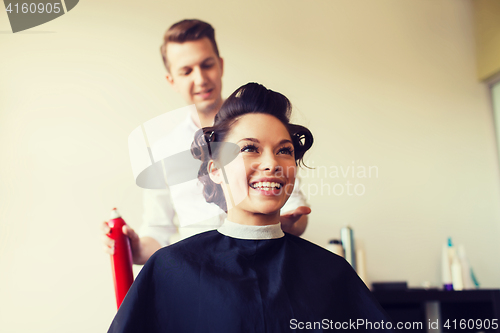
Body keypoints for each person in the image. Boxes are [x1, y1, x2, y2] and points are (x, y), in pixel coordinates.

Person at [107, 83, 391, 332]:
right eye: (249, 148)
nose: (271, 164)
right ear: (216, 169)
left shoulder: (332, 273)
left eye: (284, 150)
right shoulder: (171, 269)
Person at [102, 19, 310, 265]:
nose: (200, 79)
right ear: (172, 80)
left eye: (207, 65)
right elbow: (157, 232)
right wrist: (134, 249)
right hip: (200, 273)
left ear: (220, 66)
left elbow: (296, 210)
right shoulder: (163, 153)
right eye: (186, 71)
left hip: (266, 262)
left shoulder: (264, 130)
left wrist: (275, 221)